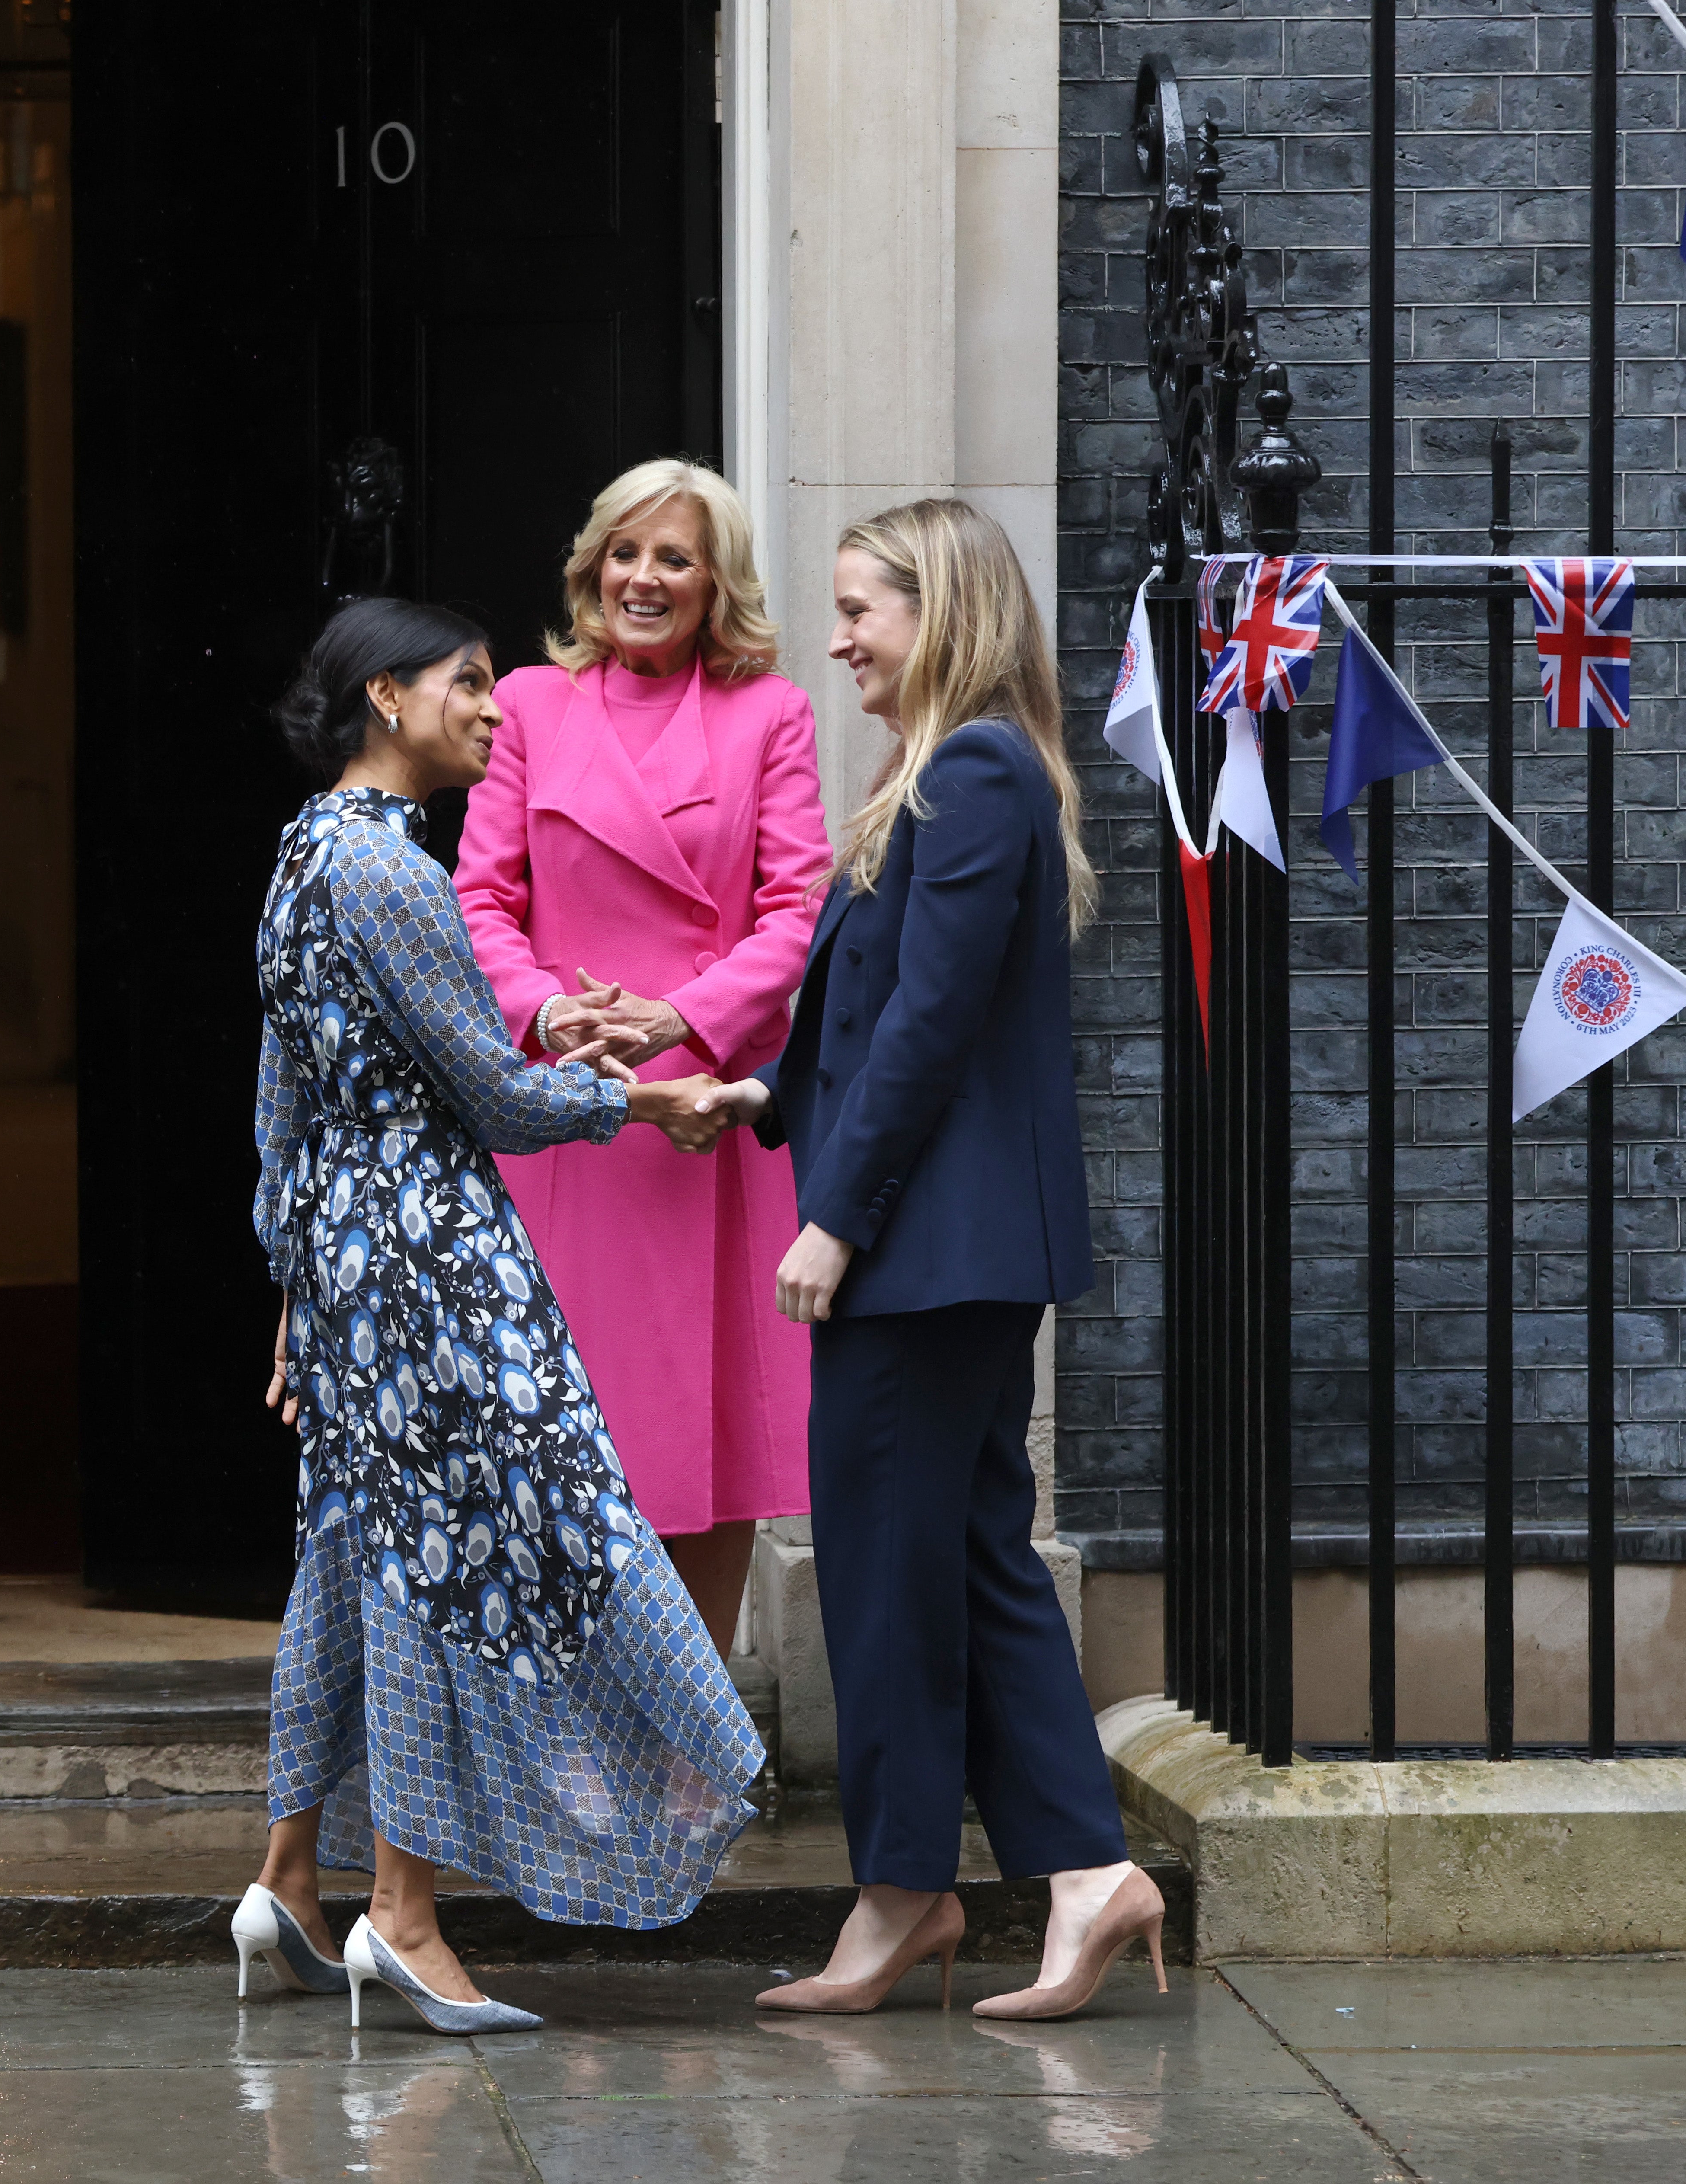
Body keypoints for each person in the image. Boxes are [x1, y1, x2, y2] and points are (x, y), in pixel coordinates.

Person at [233, 595, 766, 2036]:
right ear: (385, 700)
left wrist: (298, 1284)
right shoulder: (390, 870)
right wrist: (650, 1095)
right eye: (466, 684)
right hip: (432, 1254)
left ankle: (288, 1880)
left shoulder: (302, 856)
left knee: (357, 1539)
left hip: (354, 1254)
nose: (491, 705)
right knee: (458, 1553)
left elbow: (292, 1105)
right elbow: (489, 1096)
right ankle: (401, 1918)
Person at [702, 499, 1161, 2022]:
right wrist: (750, 1094)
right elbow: (862, 1018)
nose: (835, 639)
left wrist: (831, 1217)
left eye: (860, 610)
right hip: (950, 1242)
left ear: (941, 609)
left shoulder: (968, 772)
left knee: (888, 1577)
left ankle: (903, 1891)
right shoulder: (950, 772)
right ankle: (1084, 1876)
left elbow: (931, 1025)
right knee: (968, 1557)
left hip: (925, 1247)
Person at [454, 459, 828, 1647]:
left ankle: (690, 1743)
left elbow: (796, 910)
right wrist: (550, 1018)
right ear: (590, 566)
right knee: (555, 1437)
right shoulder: (526, 703)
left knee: (705, 1441)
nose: (643, 578)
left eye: (673, 557)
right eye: (624, 552)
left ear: (716, 582)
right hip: (568, 1120)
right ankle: (564, 1745)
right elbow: (478, 900)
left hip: (703, 1122)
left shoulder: (768, 713)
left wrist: (683, 1018)